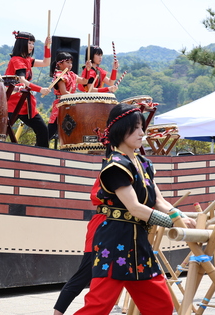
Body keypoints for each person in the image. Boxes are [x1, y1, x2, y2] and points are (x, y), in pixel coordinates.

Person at [73, 103, 195, 315]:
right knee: (98, 307)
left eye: (142, 127)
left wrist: (181, 216)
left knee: (160, 306)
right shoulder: (115, 165)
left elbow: (159, 201)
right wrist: (174, 222)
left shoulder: (144, 163)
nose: (142, 133)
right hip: (114, 243)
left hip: (139, 244)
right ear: (121, 129)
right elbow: (135, 208)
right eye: (136, 128)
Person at [53, 178, 106, 315]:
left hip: (125, 230)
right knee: (84, 274)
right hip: (102, 227)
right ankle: (57, 313)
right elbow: (96, 194)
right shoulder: (112, 170)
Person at [5, 31, 51, 147]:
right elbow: (22, 80)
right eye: (29, 43)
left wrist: (47, 47)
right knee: (3, 132)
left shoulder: (28, 60)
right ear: (22, 43)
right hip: (13, 103)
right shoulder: (16, 60)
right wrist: (40, 89)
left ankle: (40, 156)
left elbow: (46, 62)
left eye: (33, 43)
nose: (32, 46)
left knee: (42, 130)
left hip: (25, 103)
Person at [47, 52, 88, 140]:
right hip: (61, 104)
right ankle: (41, 146)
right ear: (60, 64)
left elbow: (84, 81)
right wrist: (77, 97)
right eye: (68, 62)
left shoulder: (72, 74)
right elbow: (64, 92)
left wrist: (87, 69)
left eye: (71, 62)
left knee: (71, 128)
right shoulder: (60, 76)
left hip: (71, 104)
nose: (70, 65)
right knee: (52, 128)